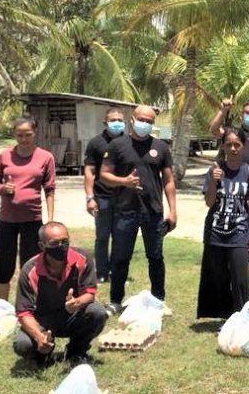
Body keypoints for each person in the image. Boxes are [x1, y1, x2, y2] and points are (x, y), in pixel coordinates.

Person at [99, 105, 177, 312]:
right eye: (142, 119)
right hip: (125, 210)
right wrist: (124, 181)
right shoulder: (117, 145)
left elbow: (169, 181)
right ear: (132, 120)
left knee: (156, 257)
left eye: (149, 121)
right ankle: (115, 301)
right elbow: (104, 175)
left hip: (153, 211)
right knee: (120, 257)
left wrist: (173, 210)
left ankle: (158, 300)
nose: (145, 124)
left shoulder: (161, 147)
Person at [13, 222, 108, 365]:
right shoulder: (30, 270)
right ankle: (43, 353)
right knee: (23, 344)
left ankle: (76, 352)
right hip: (43, 320)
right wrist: (39, 337)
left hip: (73, 316)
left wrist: (77, 303)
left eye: (65, 241)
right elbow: (23, 313)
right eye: (54, 243)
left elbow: (89, 293)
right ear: (42, 246)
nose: (61, 246)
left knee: (98, 312)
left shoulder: (82, 258)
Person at [0, 116, 56, 300]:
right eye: (19, 135)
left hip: (32, 219)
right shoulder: (5, 156)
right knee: (3, 264)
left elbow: (50, 189)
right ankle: (3, 304)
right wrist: (3, 188)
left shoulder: (46, 157)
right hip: (7, 219)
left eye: (28, 134)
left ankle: (28, 304)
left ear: (35, 133)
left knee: (31, 264)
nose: (24, 139)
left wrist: (50, 220)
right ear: (14, 134)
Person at [198, 130, 249, 318]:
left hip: (240, 233)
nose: (233, 148)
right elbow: (209, 202)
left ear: (243, 146)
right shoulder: (215, 170)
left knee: (240, 278)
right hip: (215, 232)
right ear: (223, 146)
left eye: (237, 145)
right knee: (219, 277)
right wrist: (213, 181)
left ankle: (244, 317)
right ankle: (226, 318)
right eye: (229, 144)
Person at [83, 107, 126, 283]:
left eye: (120, 120)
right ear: (105, 122)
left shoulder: (129, 142)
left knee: (121, 237)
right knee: (102, 237)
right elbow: (89, 171)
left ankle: (117, 272)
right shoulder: (96, 143)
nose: (117, 123)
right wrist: (89, 198)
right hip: (103, 197)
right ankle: (101, 272)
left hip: (125, 198)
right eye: (113, 120)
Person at [209, 97, 249, 167]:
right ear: (241, 115)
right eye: (248, 113)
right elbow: (214, 129)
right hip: (233, 172)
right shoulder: (233, 132)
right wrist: (223, 110)